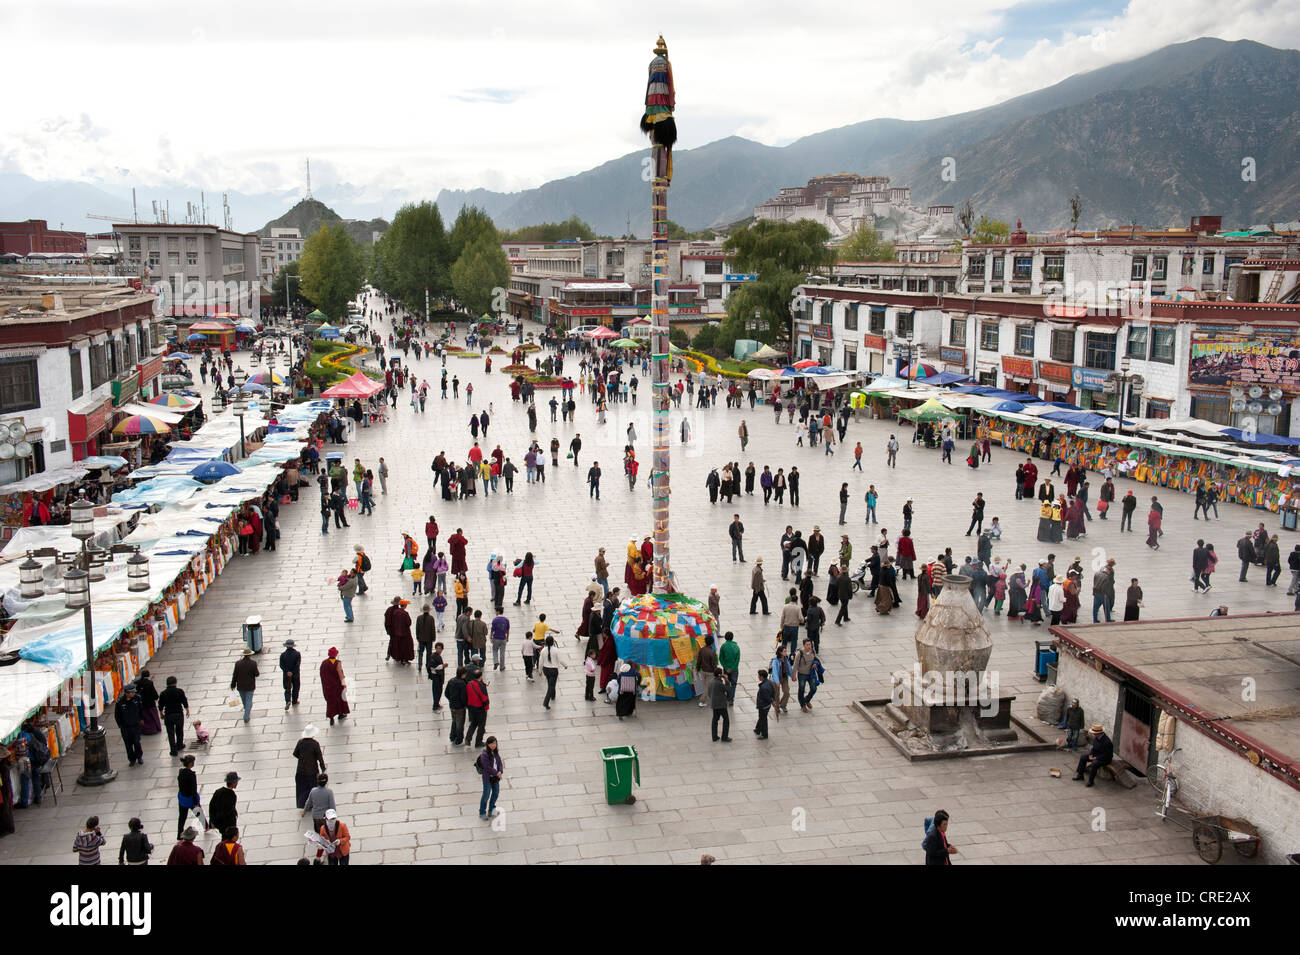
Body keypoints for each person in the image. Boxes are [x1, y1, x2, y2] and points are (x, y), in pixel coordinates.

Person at [292, 726, 326, 809]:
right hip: (312, 771)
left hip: (301, 770)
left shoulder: (300, 742)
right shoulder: (315, 744)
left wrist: (303, 758)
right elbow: (319, 757)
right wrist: (323, 768)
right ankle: (313, 804)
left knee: (302, 788)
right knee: (313, 788)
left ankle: (303, 804)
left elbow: (295, 753)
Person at [114, 682, 145, 766]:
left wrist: (141, 718)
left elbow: (141, 709)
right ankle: (131, 759)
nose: (134, 694)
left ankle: (139, 757)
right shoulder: (120, 702)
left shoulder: (137, 699)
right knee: (128, 744)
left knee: (137, 742)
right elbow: (117, 714)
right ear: (127, 693)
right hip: (125, 727)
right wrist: (120, 725)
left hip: (135, 725)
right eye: (132, 692)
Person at [320, 648, 350, 726]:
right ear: (336, 654)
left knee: (330, 702)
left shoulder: (324, 663)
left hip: (328, 686)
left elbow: (322, 675)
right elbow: (340, 675)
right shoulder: (337, 663)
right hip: (337, 686)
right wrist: (344, 684)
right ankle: (340, 714)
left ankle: (331, 718)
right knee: (340, 700)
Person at [477, 737, 504, 818]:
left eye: (495, 743)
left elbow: (499, 763)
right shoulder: (484, 755)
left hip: (495, 778)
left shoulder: (496, 753)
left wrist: (500, 771)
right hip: (487, 778)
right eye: (492, 743)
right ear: (487, 744)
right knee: (486, 795)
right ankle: (482, 812)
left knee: (495, 793)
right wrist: (497, 773)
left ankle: (491, 809)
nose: (494, 745)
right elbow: (487, 767)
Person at [230, 648, 259, 724]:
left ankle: (247, 711)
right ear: (250, 655)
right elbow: (257, 674)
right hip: (250, 686)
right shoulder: (253, 663)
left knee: (244, 701)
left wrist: (233, 684)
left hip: (240, 686)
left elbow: (235, 675)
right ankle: (246, 716)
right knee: (249, 701)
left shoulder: (238, 663)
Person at [208, 772, 240, 836]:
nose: (237, 783)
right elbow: (228, 811)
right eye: (236, 782)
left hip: (218, 822)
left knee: (224, 838)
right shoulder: (232, 795)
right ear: (233, 783)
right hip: (228, 824)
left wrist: (212, 821)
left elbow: (211, 806)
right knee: (227, 840)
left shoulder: (218, 791)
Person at [385, 596, 415, 664]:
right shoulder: (402, 612)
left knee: (394, 643)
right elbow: (408, 623)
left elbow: (387, 621)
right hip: (403, 632)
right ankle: (403, 658)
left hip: (393, 631)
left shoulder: (390, 610)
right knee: (404, 645)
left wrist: (388, 630)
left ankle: (391, 655)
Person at [539, 636, 567, 709]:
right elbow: (560, 660)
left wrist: (540, 670)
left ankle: (553, 695)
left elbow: (540, 661)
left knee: (550, 682)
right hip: (553, 670)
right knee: (551, 686)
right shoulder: (556, 650)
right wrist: (565, 665)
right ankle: (546, 702)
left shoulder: (543, 650)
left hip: (546, 669)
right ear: (553, 642)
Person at [466, 668, 490, 746]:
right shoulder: (481, 686)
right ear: (481, 676)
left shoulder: (469, 684)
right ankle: (478, 742)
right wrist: (486, 708)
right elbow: (484, 698)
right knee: (481, 725)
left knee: (473, 723)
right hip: (480, 708)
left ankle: (468, 738)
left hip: (471, 708)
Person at [279, 639, 301, 711]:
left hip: (286, 675)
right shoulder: (297, 654)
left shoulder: (282, 655)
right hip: (295, 674)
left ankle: (288, 700)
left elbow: (281, 665)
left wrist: (287, 672)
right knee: (296, 687)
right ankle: (294, 700)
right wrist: (293, 672)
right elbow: (297, 665)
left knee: (287, 688)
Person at [754, 669, 775, 739]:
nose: (758, 677)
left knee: (763, 719)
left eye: (759, 676)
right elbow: (773, 692)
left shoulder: (763, 688)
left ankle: (764, 734)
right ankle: (758, 729)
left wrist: (771, 701)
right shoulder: (769, 682)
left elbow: (766, 698)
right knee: (762, 717)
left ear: (762, 677)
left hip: (763, 705)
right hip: (767, 705)